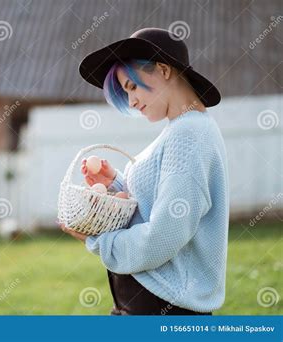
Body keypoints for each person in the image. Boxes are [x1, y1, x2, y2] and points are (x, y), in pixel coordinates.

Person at [59, 27, 229, 315]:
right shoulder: (180, 129)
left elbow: (162, 238)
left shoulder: (188, 135)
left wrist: (98, 241)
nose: (132, 102)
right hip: (147, 301)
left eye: (132, 87)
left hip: (165, 309)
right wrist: (115, 183)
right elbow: (159, 205)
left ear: (163, 70)